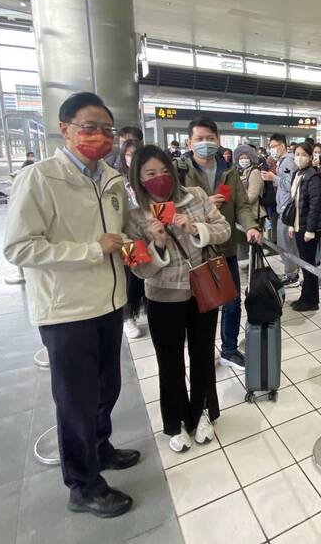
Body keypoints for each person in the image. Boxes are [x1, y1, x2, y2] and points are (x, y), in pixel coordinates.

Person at [4, 92, 139, 518]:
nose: (100, 136)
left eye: (106, 129)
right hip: (66, 311)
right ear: (65, 129)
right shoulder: (40, 179)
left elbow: (120, 227)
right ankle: (83, 486)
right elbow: (19, 247)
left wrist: (137, 237)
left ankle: (99, 449)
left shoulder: (112, 179)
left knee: (106, 388)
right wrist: (91, 250)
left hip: (107, 302)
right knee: (76, 401)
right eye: (89, 127)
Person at [127, 145, 231, 452]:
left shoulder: (196, 196)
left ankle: (201, 413)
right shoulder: (133, 216)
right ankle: (174, 422)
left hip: (202, 291)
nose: (159, 178)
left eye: (163, 171)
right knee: (169, 361)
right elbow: (137, 269)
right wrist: (156, 243)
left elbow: (223, 229)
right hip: (161, 297)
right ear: (139, 178)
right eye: (150, 174)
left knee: (202, 355)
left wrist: (195, 227)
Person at [180, 116, 260, 372]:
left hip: (224, 247)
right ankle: (199, 353)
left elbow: (242, 205)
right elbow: (172, 210)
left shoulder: (229, 170)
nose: (205, 143)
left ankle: (228, 349)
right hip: (193, 252)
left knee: (232, 301)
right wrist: (204, 208)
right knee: (198, 307)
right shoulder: (180, 171)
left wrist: (251, 226)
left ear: (218, 140)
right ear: (189, 142)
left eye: (210, 138)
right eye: (199, 139)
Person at [288, 142, 321, 311]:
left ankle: (311, 301)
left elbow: (315, 204)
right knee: (304, 264)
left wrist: (310, 230)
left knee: (309, 265)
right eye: (296, 154)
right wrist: (291, 225)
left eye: (303, 154)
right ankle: (305, 296)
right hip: (298, 225)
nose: (299, 157)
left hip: (308, 228)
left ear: (310, 157)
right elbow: (295, 202)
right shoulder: (298, 173)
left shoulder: (313, 176)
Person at [262, 134, 300, 286]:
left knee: (286, 244)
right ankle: (292, 271)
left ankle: (291, 274)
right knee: (287, 243)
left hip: (287, 210)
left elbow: (293, 185)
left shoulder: (288, 161)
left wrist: (274, 178)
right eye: (270, 147)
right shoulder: (283, 161)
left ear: (282, 146)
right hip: (284, 208)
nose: (271, 150)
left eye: (274, 146)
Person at [119, 139, 147, 339]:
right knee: (132, 278)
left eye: (136, 153)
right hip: (129, 236)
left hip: (151, 234)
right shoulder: (117, 180)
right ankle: (129, 317)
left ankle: (147, 310)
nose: (133, 157)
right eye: (129, 154)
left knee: (150, 275)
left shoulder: (149, 176)